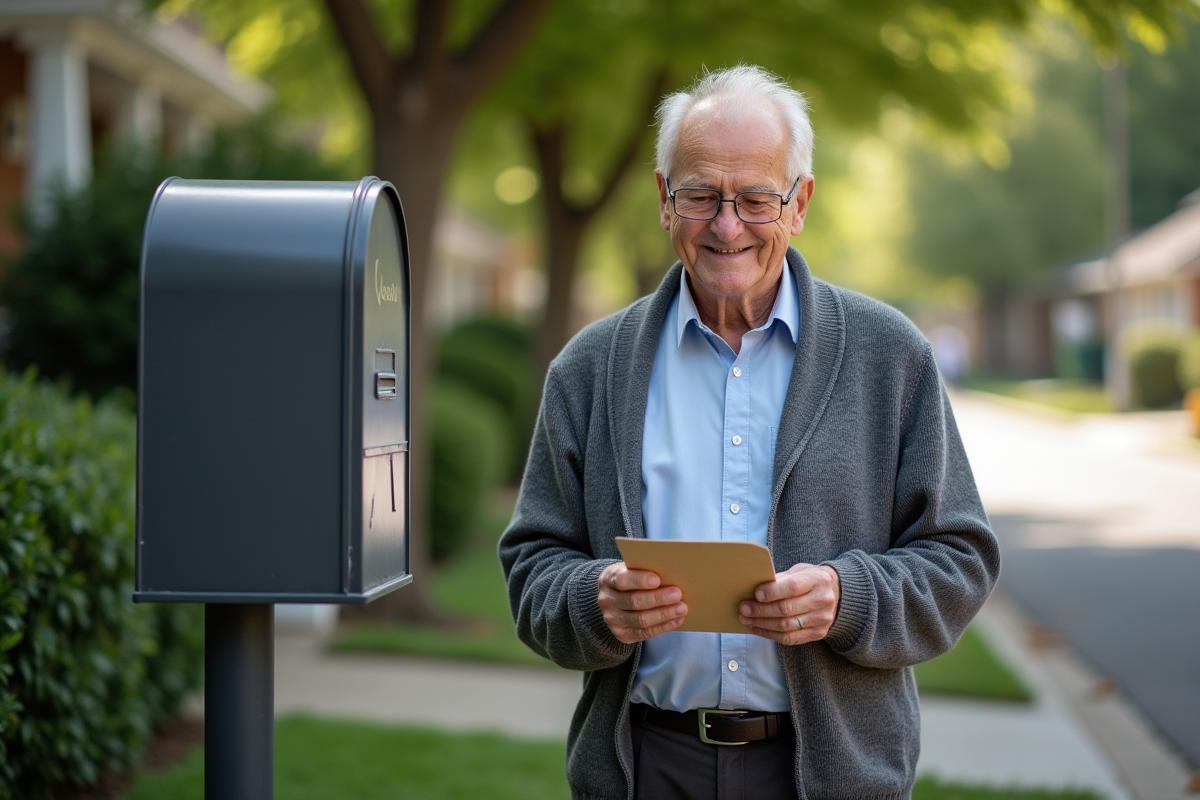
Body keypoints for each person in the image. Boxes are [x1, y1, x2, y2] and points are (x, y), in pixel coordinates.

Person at [499, 65, 999, 800]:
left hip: (829, 775)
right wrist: (592, 602)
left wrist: (848, 596)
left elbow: (960, 557)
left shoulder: (891, 355)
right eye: (701, 195)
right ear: (664, 200)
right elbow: (531, 562)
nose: (726, 226)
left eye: (756, 199)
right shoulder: (589, 368)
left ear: (801, 203)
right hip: (644, 769)